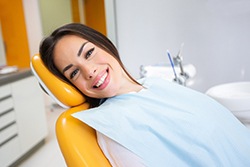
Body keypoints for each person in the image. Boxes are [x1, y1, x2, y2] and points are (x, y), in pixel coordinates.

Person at [39, 23, 250, 167]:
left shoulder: (153, 84)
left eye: (89, 53)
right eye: (74, 72)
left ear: (104, 43)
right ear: (71, 85)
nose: (89, 71)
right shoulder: (115, 127)